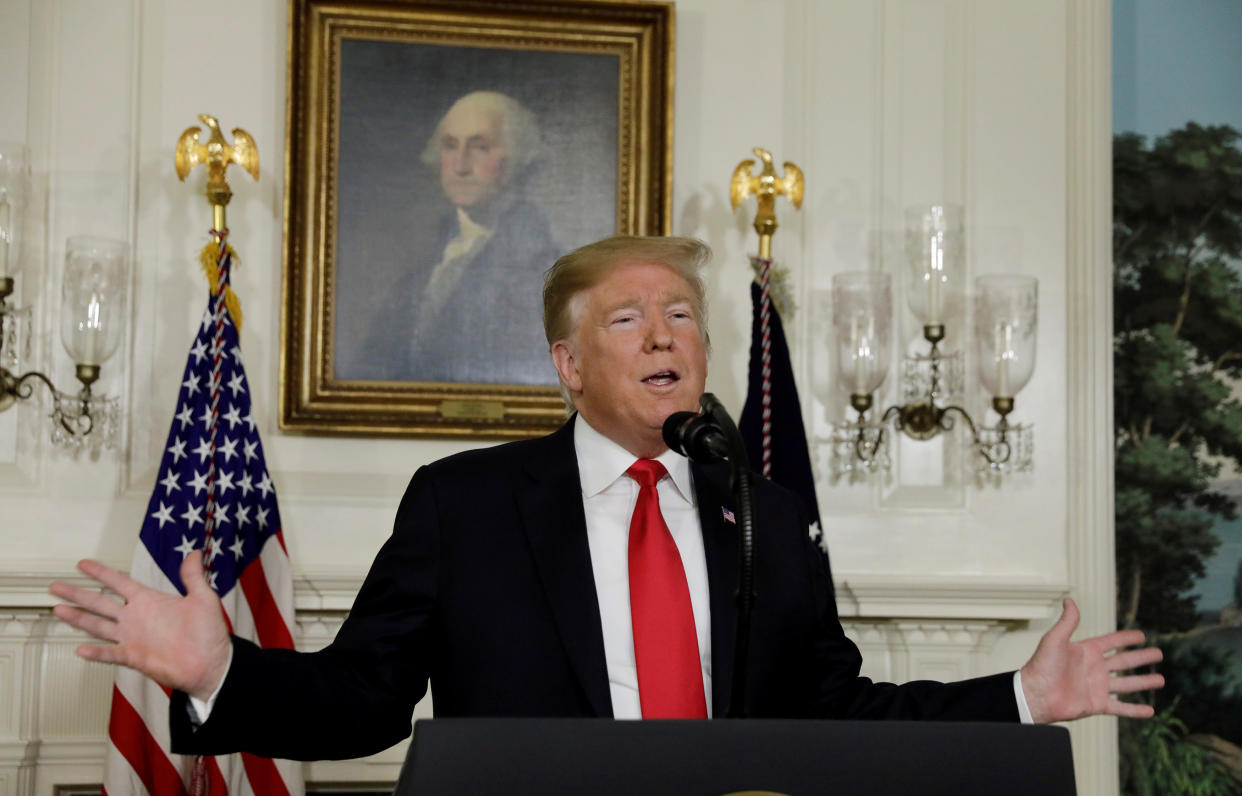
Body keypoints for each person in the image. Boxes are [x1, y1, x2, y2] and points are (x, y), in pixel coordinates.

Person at [50, 236, 1163, 762]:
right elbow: (366, 696)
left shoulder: (763, 514)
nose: (667, 332)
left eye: (683, 313)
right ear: (568, 364)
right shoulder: (465, 504)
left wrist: (1019, 692)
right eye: (629, 318)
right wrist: (218, 670)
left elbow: (839, 710)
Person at [347, 90, 559, 385]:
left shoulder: (541, 265)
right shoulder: (427, 257)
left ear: (518, 158)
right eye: (450, 146)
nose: (460, 165)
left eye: (480, 147)